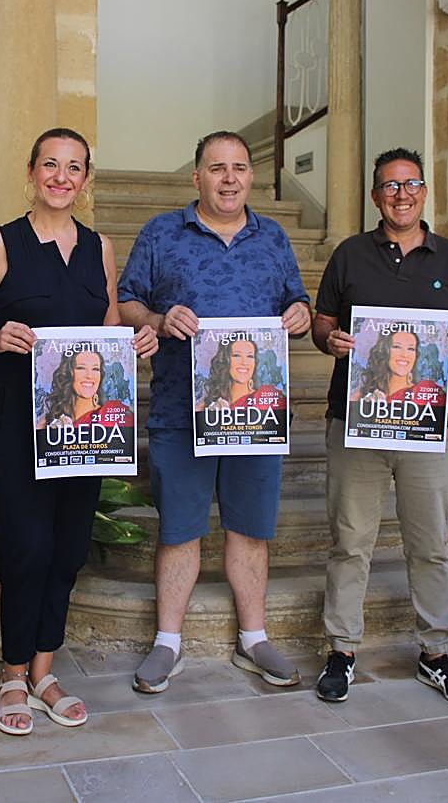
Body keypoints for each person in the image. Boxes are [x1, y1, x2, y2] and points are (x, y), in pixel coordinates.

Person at [0, 127, 157, 736]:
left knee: (66, 548)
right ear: (31, 172)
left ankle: (43, 669)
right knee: (26, 546)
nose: (61, 177)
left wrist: (133, 343)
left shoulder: (100, 248)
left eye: (74, 167)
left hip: (86, 429)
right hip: (19, 418)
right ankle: (12, 673)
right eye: (50, 165)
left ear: (86, 179)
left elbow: (109, 327)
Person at [118, 130, 311, 694]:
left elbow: (295, 298)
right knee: (179, 530)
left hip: (257, 412)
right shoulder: (160, 233)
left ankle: (255, 638)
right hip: (182, 408)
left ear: (251, 177)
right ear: (196, 176)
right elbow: (127, 298)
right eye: (217, 168)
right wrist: (154, 320)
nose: (230, 178)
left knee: (249, 529)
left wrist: (299, 312)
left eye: (240, 168)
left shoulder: (272, 237)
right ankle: (167, 643)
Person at [312, 147, 448, 705]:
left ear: (424, 191)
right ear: (375, 195)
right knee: (349, 542)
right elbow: (322, 323)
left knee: (430, 544)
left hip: (429, 428)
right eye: (390, 186)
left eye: (410, 184)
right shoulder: (349, 255)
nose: (401, 194)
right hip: (357, 423)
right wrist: (330, 340)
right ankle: (341, 651)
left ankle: (435, 653)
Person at [350, 327, 444, 406]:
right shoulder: (362, 394)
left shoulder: (427, 390)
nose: (404, 355)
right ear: (384, 351)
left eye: (411, 349)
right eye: (397, 347)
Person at [40, 349, 132, 427]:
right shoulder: (49, 420)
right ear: (68, 373)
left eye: (95, 369)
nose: (89, 376)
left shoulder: (114, 413)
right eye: (81, 368)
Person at [197, 337, 286, 412]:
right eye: (237, 355)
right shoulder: (205, 406)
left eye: (250, 356)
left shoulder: (268, 395)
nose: (244, 363)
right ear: (225, 360)